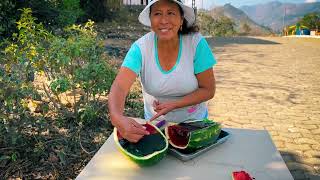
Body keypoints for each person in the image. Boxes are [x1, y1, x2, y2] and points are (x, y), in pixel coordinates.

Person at [108, 0, 217, 143]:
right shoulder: (140, 48)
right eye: (157, 14)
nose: (164, 20)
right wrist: (117, 118)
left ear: (181, 19)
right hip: (155, 126)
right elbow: (120, 87)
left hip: (193, 125)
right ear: (151, 19)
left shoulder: (196, 44)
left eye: (171, 13)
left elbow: (208, 89)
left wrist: (175, 104)